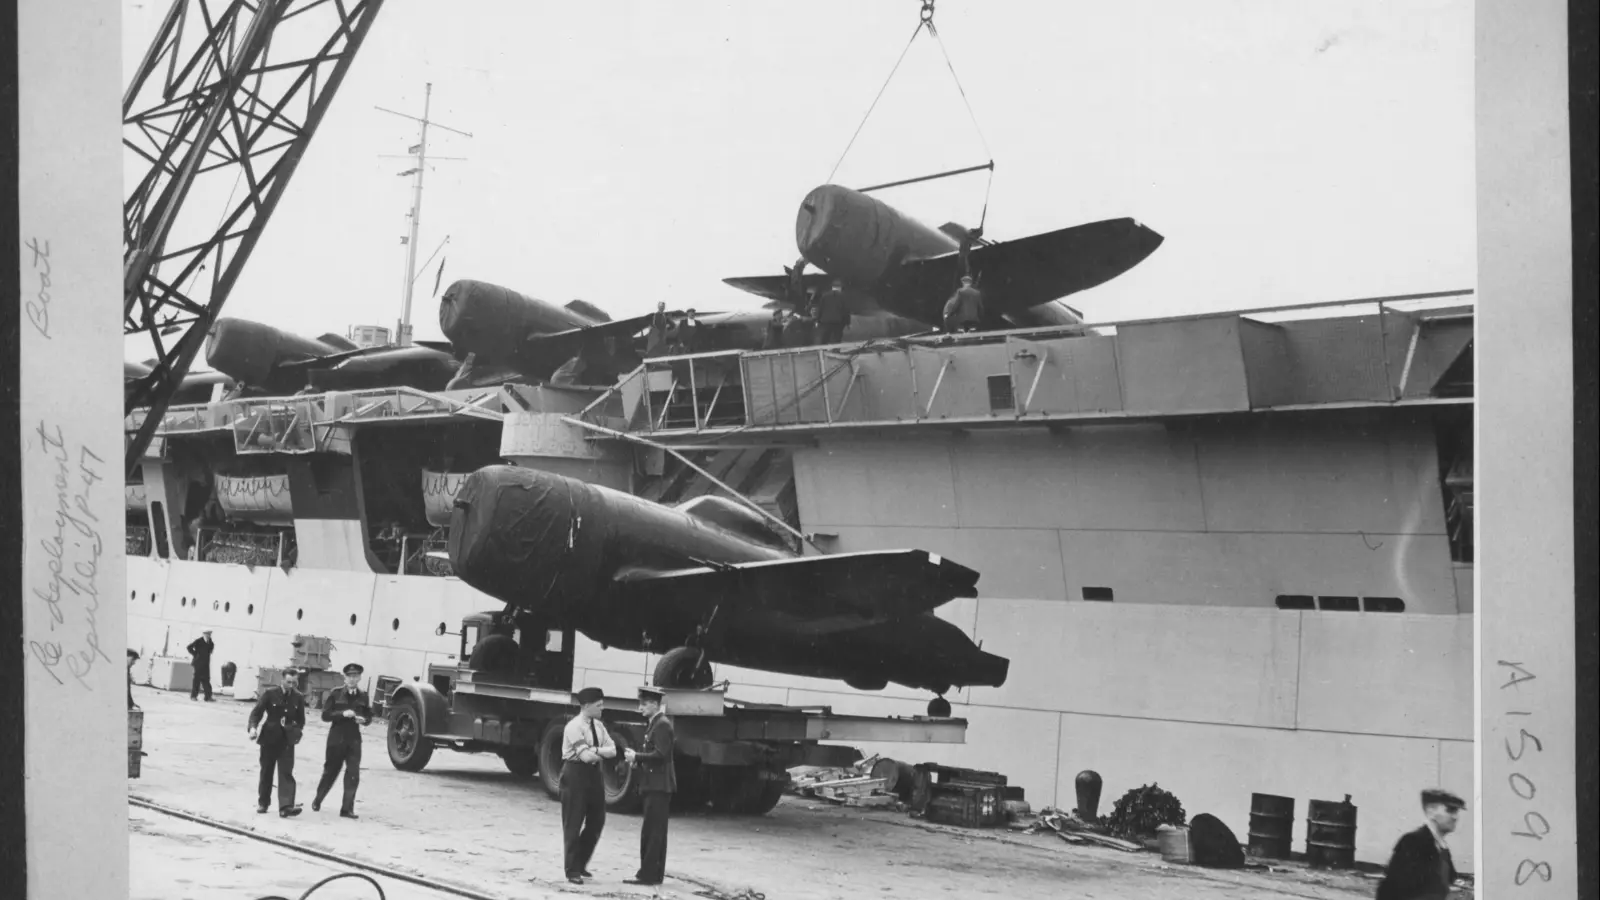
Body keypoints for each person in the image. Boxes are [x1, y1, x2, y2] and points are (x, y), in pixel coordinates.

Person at [560, 686, 617, 885]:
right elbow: (584, 757)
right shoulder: (574, 727)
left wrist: (594, 749)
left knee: (597, 820)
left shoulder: (599, 726)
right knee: (573, 822)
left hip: (594, 774)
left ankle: (581, 862)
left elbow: (613, 750)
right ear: (586, 706)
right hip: (575, 773)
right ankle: (571, 869)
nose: (602, 708)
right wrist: (598, 751)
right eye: (598, 705)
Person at [623, 686, 676, 886]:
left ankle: (647, 875)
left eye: (644, 704)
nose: (640, 708)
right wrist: (639, 760)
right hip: (655, 784)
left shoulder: (661, 725)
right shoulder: (656, 723)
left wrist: (637, 756)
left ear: (654, 704)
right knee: (655, 831)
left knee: (653, 832)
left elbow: (661, 755)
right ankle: (653, 873)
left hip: (658, 785)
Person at [1375, 788, 1464, 900]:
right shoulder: (1412, 842)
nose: (1455, 817)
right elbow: (1390, 890)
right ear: (1431, 811)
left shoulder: (1443, 849)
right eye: (1450, 810)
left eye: (1457, 812)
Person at [312, 662, 372, 819]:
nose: (352, 679)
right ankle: (318, 799)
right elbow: (325, 716)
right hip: (336, 738)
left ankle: (347, 809)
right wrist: (342, 714)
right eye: (349, 676)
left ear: (359, 678)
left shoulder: (363, 695)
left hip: (354, 740)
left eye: (355, 676)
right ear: (344, 678)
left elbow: (369, 717)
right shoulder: (335, 693)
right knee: (330, 771)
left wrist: (363, 720)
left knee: (353, 774)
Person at [248, 667, 307, 818]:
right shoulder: (270, 694)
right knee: (267, 771)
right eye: (288, 682)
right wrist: (253, 728)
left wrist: (294, 731)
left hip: (287, 741)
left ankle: (286, 807)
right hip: (269, 738)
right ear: (282, 680)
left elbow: (301, 720)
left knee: (286, 773)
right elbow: (257, 712)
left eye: (294, 682)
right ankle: (263, 802)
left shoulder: (298, 697)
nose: (291, 685)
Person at [812, 279, 851, 345]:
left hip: (825, 321)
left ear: (832, 287)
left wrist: (817, 320)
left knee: (825, 338)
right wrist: (848, 323)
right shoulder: (843, 296)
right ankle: (835, 353)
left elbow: (820, 308)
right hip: (838, 322)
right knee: (837, 338)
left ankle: (823, 352)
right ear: (840, 288)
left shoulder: (825, 296)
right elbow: (846, 311)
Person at [186, 630, 215, 701]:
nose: (208, 635)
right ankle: (193, 696)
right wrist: (195, 654)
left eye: (209, 634)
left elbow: (210, 652)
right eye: (207, 634)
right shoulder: (198, 641)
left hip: (206, 664)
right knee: (197, 680)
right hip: (198, 664)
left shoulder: (211, 643)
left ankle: (208, 697)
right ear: (204, 634)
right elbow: (189, 647)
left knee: (206, 680)